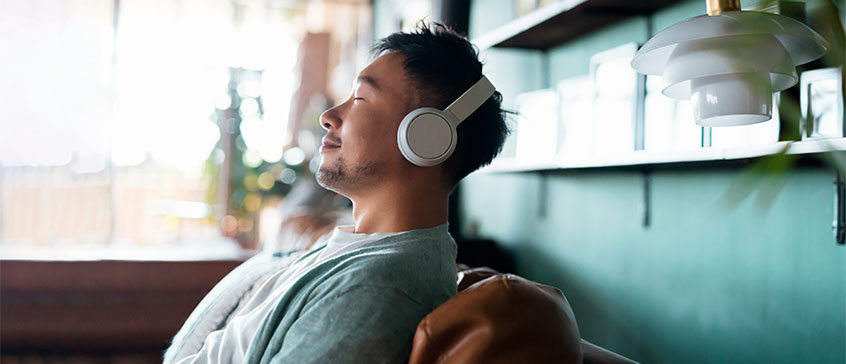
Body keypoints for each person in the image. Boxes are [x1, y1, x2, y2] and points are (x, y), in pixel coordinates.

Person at [164, 22, 509, 364]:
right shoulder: (352, 248)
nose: (328, 117)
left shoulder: (378, 287)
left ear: (426, 136)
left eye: (360, 98)